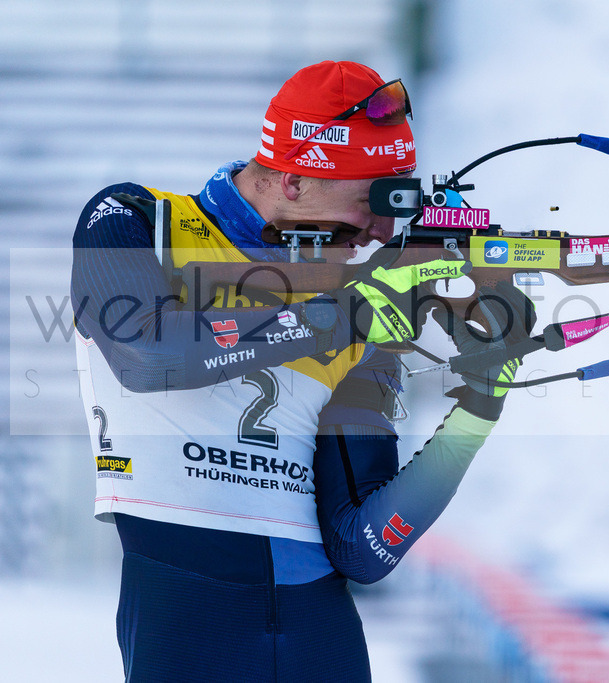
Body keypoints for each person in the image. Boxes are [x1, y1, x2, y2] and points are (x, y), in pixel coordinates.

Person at [72, 60, 531, 682]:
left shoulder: (361, 300)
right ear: (293, 180)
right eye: (372, 199)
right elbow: (149, 355)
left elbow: (362, 548)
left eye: (399, 198)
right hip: (185, 628)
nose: (383, 229)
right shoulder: (137, 220)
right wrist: (339, 317)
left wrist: (481, 401)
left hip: (321, 641)